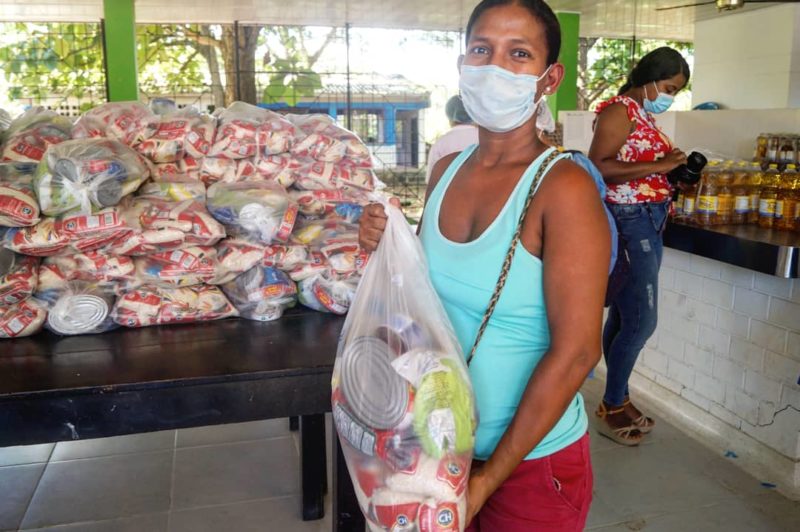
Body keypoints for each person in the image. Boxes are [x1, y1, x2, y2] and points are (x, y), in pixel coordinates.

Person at [359, 1, 610, 529]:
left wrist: (485, 480)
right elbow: (424, 307)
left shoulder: (564, 187)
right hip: (437, 448)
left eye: (519, 54)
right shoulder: (446, 171)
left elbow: (578, 352)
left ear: (549, 78)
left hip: (530, 467)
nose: (495, 67)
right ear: (462, 64)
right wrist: (384, 247)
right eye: (481, 49)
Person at [588, 47, 690, 446]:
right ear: (649, 79)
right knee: (642, 322)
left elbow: (638, 165)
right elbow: (599, 165)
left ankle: (618, 398)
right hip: (630, 221)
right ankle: (612, 404)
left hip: (649, 218)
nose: (670, 97)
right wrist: (660, 165)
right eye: (669, 88)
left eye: (676, 91)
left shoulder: (641, 113)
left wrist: (672, 170)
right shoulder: (619, 111)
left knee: (625, 315)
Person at [425, 95, 479, 182]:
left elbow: (431, 180)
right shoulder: (485, 139)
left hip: (450, 189)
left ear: (449, 114)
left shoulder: (440, 143)